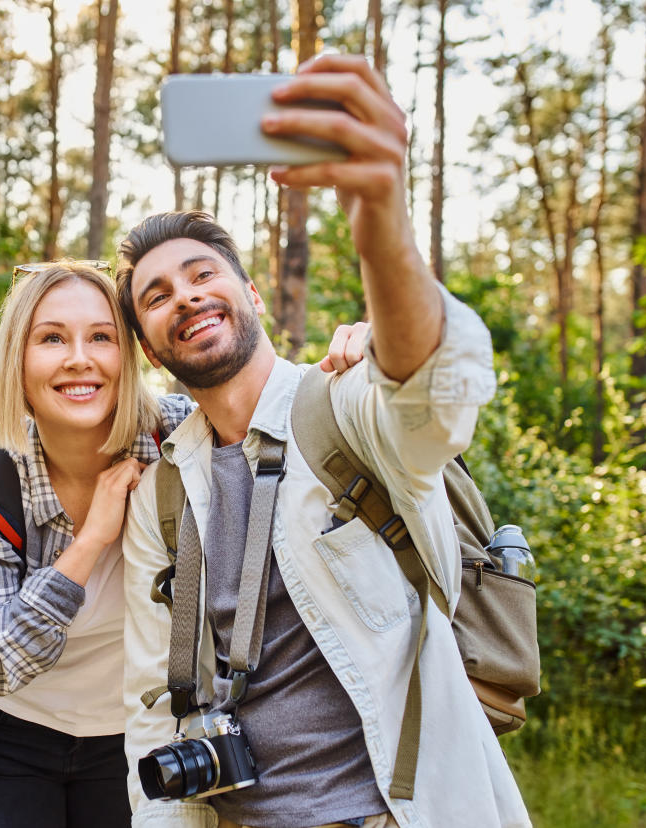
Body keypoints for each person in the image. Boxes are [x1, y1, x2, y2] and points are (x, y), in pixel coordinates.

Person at [114, 55, 531, 828]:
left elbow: (433, 394)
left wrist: (380, 222)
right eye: (157, 296)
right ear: (148, 345)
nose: (187, 297)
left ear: (250, 293)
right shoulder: (163, 497)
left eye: (203, 274)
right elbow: (152, 703)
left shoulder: (343, 408)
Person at [0, 260, 372, 828]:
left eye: (101, 337)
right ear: (17, 359)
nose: (78, 359)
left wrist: (357, 368)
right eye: (51, 339)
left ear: (133, 355)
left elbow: (273, 415)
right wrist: (90, 540)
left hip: (139, 737)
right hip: (13, 737)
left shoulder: (178, 436)